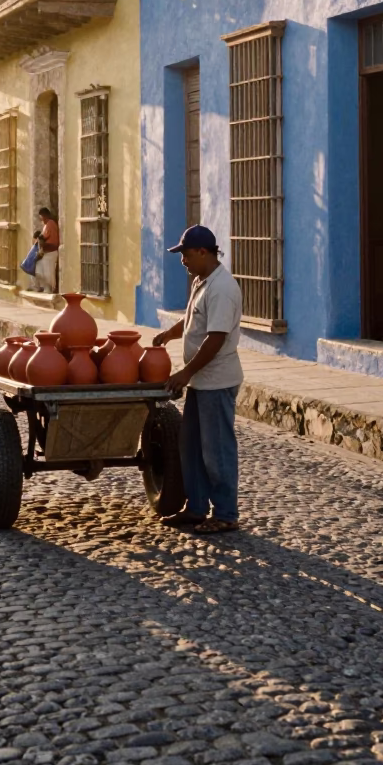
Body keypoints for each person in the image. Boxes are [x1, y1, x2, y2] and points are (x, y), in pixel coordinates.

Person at [153, 225, 243, 535]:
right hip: (201, 381)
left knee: (216, 451)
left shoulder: (222, 288)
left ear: (203, 252)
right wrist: (169, 333)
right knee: (190, 446)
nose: (182, 261)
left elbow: (215, 338)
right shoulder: (202, 282)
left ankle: (226, 513)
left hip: (216, 381)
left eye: (186, 254)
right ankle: (195, 508)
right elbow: (192, 319)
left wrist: (185, 372)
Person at [35, 208, 59, 293]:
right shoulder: (45, 225)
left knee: (49, 272)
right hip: (45, 252)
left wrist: (41, 239)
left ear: (46, 216)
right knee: (40, 269)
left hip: (51, 252)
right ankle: (43, 287)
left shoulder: (50, 224)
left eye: (43, 218)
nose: (42, 220)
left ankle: (50, 288)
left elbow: (48, 239)